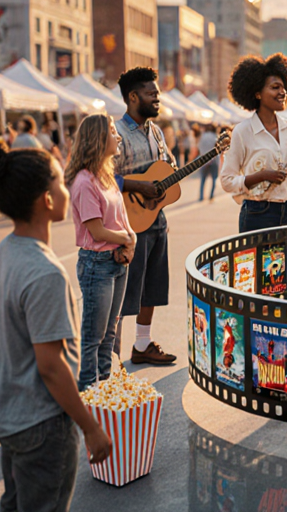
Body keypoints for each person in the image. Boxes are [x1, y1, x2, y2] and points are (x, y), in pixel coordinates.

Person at [0, 140, 112, 511]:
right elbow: (51, 366)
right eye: (60, 182)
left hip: (7, 413)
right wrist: (90, 427)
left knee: (15, 502)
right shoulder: (45, 273)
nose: (67, 189)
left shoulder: (3, 251)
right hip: (41, 423)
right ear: (46, 200)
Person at [65, 114, 137, 391]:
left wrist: (130, 240)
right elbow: (96, 231)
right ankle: (87, 393)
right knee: (93, 337)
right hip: (97, 264)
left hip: (117, 261)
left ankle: (104, 392)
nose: (118, 136)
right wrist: (127, 239)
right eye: (112, 131)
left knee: (110, 334)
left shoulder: (106, 176)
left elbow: (121, 217)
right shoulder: (84, 182)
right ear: (98, 138)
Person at [114, 66, 178, 366]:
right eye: (151, 93)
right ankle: (110, 355)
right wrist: (139, 186)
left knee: (152, 286)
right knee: (123, 291)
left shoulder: (156, 132)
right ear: (132, 97)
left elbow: (168, 166)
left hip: (156, 221)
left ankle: (142, 345)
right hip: (127, 223)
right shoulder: (116, 133)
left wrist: (168, 176)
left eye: (158, 94)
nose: (157, 98)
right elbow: (104, 178)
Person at [220, 54, 287, 232]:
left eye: (284, 87)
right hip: (257, 214)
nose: (282, 92)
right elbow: (227, 180)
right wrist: (261, 176)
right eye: (275, 87)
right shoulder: (243, 131)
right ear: (257, 93)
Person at [196, 124, 220, 202]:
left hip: (203, 160)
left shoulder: (203, 136)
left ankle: (201, 196)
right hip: (214, 160)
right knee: (214, 179)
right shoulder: (215, 136)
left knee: (203, 179)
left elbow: (199, 147)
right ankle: (211, 195)